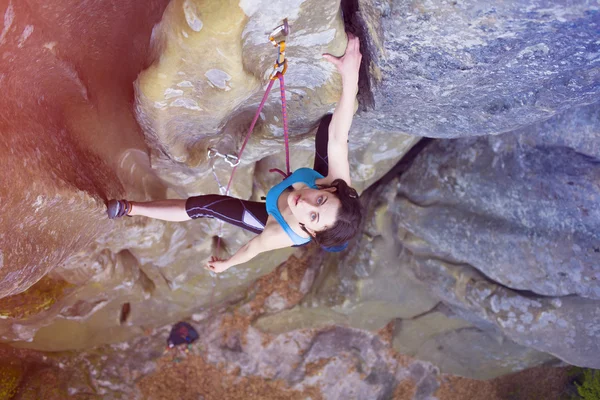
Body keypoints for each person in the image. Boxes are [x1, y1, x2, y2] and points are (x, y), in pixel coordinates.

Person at [107, 33, 363, 273]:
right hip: (317, 181)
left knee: (204, 206)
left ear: (312, 231)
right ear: (329, 190)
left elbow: (252, 249)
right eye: (320, 200)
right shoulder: (335, 182)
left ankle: (129, 209)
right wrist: (350, 74)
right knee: (330, 126)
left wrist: (226, 265)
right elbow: (339, 138)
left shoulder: (280, 233)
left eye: (313, 216)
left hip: (273, 213)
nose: (306, 203)